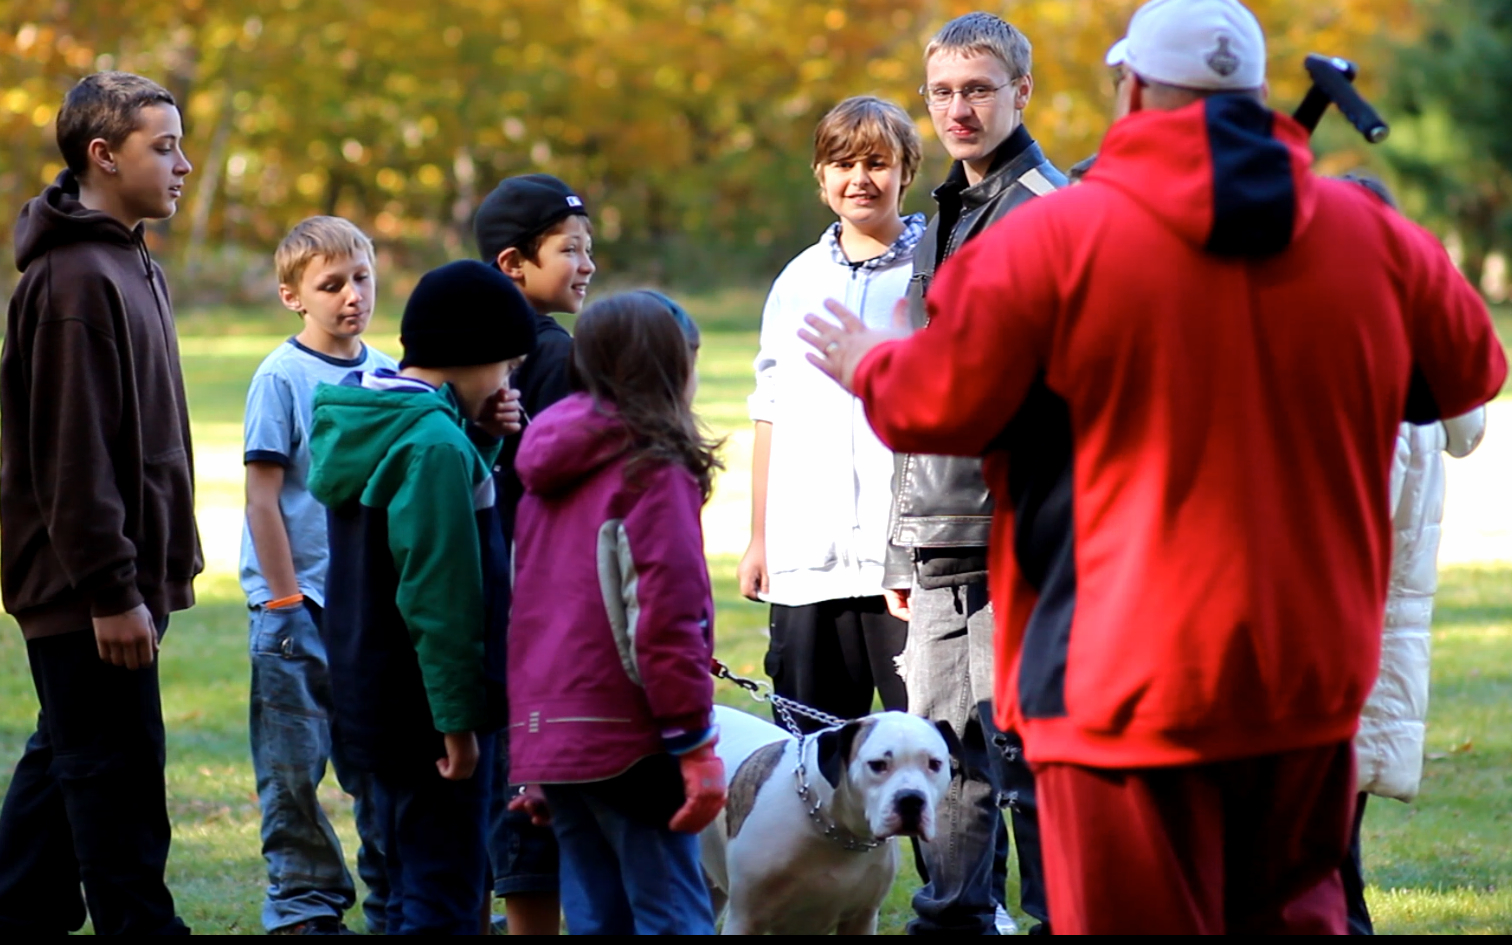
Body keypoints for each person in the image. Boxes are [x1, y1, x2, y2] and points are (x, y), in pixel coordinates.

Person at [799, 0, 1508, 933]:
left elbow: (940, 404)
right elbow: (1470, 373)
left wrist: (868, 364)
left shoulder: (1054, 238)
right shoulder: (1370, 233)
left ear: (1131, 87)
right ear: (1256, 94)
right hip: (1309, 666)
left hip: (1119, 675)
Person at [0, 71, 200, 936]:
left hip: (116, 582)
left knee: (66, 769)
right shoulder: (77, 278)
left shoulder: (127, 254)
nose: (183, 163)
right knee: (118, 794)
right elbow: (70, 458)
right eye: (163, 147)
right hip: (87, 590)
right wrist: (113, 591)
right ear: (102, 155)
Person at [884, 12, 1063, 935]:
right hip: (938, 529)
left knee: (1024, 747)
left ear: (1021, 92)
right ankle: (952, 916)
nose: (959, 108)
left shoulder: (1047, 208)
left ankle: (1061, 917)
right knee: (940, 751)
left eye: (979, 89)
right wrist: (900, 544)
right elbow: (923, 387)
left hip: (1018, 526)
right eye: (945, 91)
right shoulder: (939, 216)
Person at [307, 260, 534, 934]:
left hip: (372, 708)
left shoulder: (385, 419)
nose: (508, 381)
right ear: (472, 355)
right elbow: (441, 599)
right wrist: (458, 723)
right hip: (430, 723)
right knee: (446, 899)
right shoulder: (435, 445)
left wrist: (483, 438)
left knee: (399, 889)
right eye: (506, 364)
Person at [507, 291, 726, 935]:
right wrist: (693, 745)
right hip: (635, 737)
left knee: (596, 916)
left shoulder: (543, 466)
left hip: (558, 736)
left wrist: (539, 752)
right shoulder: (654, 470)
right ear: (668, 370)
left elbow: (529, 616)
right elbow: (666, 620)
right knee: (672, 914)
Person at [737, 95, 922, 732]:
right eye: (842, 163)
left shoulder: (931, 276)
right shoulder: (796, 281)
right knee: (811, 765)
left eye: (876, 162)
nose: (859, 179)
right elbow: (771, 412)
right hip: (805, 562)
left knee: (930, 758)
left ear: (906, 171)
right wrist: (761, 538)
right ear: (821, 178)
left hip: (902, 563)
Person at [1338, 169, 1490, 937]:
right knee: (1335, 815)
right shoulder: (1412, 343)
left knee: (1321, 820)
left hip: (1350, 606)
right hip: (1385, 609)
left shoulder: (1365, 354)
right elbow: (1472, 428)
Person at [242, 216, 396, 934]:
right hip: (294, 605)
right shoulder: (282, 376)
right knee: (293, 772)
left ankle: (400, 895)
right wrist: (283, 600)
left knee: (382, 764)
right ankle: (304, 907)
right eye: (330, 285)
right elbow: (263, 495)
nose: (350, 297)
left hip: (368, 607)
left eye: (360, 278)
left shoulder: (387, 373)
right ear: (292, 296)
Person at [473, 172, 597, 935]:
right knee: (539, 778)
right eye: (570, 250)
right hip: (540, 599)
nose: (586, 265)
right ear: (513, 263)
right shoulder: (552, 353)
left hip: (494, 590)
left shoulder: (471, 350)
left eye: (589, 249)